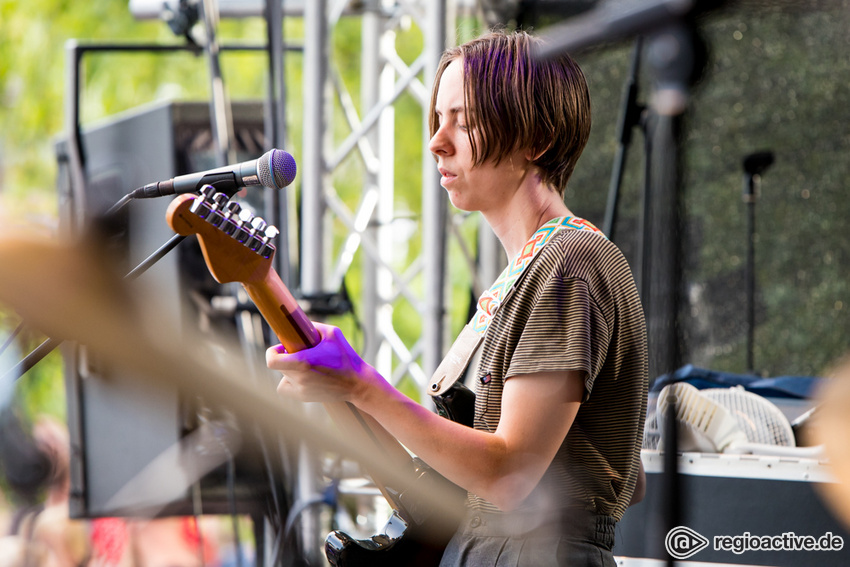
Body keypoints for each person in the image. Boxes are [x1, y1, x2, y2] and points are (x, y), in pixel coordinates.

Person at [268, 29, 648, 566]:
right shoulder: (525, 273)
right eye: (438, 118)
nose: (436, 141)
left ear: (534, 139)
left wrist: (362, 383)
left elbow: (511, 473)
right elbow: (627, 481)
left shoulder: (569, 265)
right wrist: (345, 390)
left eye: (463, 121)